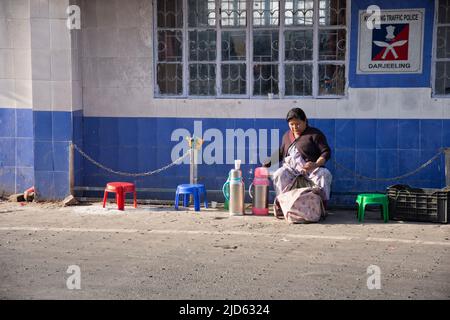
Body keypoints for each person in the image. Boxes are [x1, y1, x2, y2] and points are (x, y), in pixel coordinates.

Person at [262, 107, 332, 222]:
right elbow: (281, 152)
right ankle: (283, 205)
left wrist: (315, 164)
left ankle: (321, 207)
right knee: (279, 173)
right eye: (291, 124)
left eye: (298, 124)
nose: (295, 127)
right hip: (291, 171)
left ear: (305, 121)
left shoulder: (315, 134)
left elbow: (326, 152)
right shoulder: (286, 136)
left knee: (324, 174)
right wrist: (268, 163)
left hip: (310, 171)